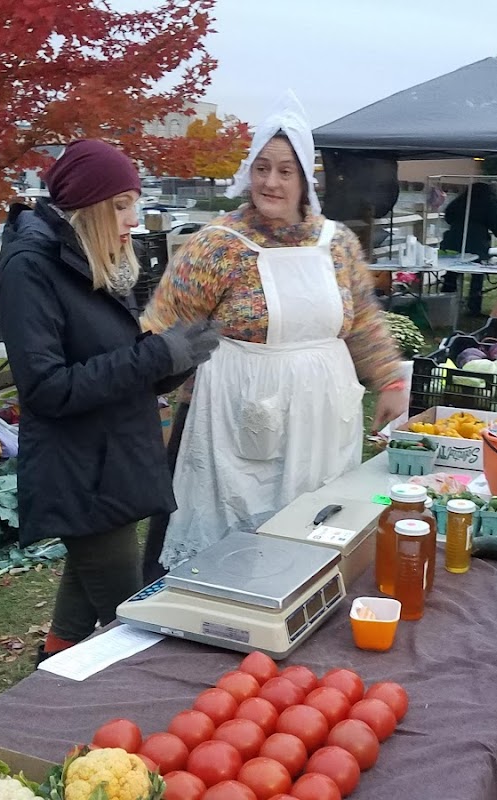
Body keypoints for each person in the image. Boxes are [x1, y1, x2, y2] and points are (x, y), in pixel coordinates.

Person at [141, 91, 405, 579]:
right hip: (233, 420)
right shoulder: (216, 246)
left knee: (315, 526)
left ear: (305, 178)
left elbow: (364, 319)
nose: (271, 181)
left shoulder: (337, 243)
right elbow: (160, 330)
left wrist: (389, 381)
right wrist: (156, 412)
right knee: (222, 542)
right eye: (262, 167)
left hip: (320, 416)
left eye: (285, 170)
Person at [0, 139, 219, 660]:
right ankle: (139, 708)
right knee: (131, 621)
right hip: (81, 473)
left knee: (82, 587)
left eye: (134, 203)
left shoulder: (90, 259)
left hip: (111, 463)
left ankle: (51, 671)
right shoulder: (31, 267)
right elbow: (48, 389)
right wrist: (155, 356)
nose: (132, 219)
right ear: (88, 206)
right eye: (121, 205)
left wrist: (174, 360)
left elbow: (110, 360)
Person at [439, 181, 497, 316]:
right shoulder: (490, 203)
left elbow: (448, 216)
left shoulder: (461, 201)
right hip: (476, 243)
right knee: (477, 275)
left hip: (452, 241)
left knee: (451, 274)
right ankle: (473, 307)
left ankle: (445, 304)